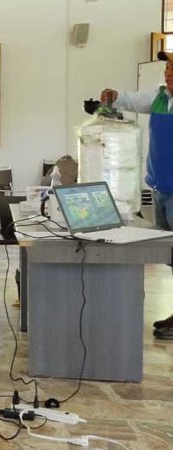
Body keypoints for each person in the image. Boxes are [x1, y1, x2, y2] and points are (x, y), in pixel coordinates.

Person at [101, 51, 173, 340]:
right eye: (168, 68)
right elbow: (129, 99)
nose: (169, 73)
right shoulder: (158, 98)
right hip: (160, 188)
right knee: (170, 256)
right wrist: (114, 96)